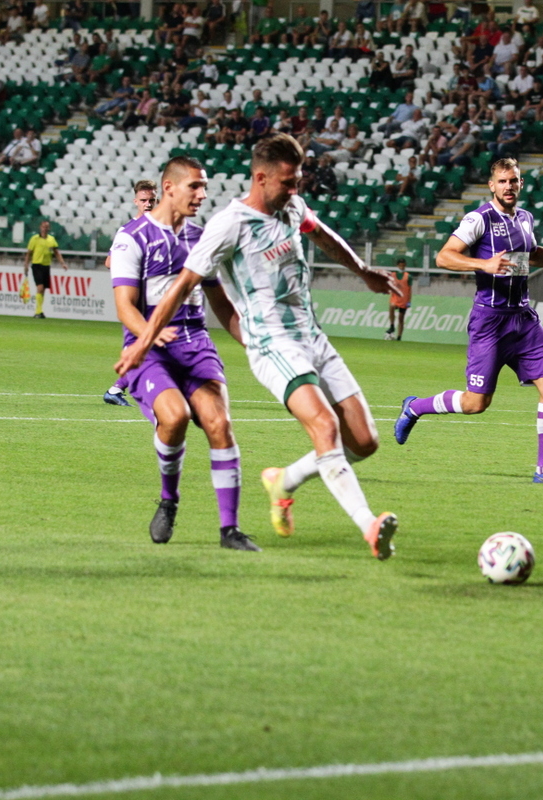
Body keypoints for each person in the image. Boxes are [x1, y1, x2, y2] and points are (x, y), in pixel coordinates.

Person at [116, 134, 402, 560]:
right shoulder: (228, 225)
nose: (295, 188)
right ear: (260, 178)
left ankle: (284, 481)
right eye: (288, 181)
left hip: (312, 336)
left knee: (364, 440)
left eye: (298, 180)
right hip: (272, 343)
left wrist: (363, 271)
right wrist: (143, 341)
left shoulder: (292, 206)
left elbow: (321, 234)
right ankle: (369, 525)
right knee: (324, 426)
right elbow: (183, 285)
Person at [392, 157, 543, 484]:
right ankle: (415, 407)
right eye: (502, 181)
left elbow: (533, 256)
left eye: (513, 180)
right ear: (492, 185)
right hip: (490, 321)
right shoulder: (479, 219)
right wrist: (483, 264)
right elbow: (444, 256)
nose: (508, 186)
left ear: (521, 184)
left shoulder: (525, 218)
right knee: (476, 403)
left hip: (523, 319)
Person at [109, 157, 253, 550]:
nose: (202, 194)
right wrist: (150, 333)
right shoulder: (132, 237)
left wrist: (253, 341)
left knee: (219, 424)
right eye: (195, 186)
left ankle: (229, 530)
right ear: (169, 188)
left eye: (204, 186)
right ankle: (168, 500)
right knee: (174, 416)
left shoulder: (202, 239)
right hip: (149, 349)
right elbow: (124, 306)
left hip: (195, 344)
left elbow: (221, 305)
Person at [103, 179, 158, 408]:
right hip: (139, 298)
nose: (148, 204)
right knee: (149, 344)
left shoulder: (161, 229)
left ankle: (118, 389)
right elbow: (109, 262)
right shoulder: (127, 231)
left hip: (157, 296)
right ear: (136, 201)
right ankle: (117, 389)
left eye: (152, 200)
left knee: (153, 344)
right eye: (144, 200)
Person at [23, 220, 67, 319]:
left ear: (49, 228)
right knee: (40, 287)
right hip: (37, 265)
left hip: (46, 266)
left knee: (43, 289)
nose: (45, 229)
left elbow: (56, 252)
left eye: (46, 227)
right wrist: (26, 265)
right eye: (43, 227)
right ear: (40, 227)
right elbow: (29, 253)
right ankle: (37, 311)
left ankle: (40, 310)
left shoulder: (51, 239)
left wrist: (62, 263)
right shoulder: (34, 239)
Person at [385, 258, 413, 340]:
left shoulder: (408, 276)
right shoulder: (393, 275)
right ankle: (392, 325)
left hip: (404, 299)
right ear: (397, 265)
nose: (402, 267)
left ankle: (399, 336)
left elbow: (410, 290)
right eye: (400, 265)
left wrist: (409, 301)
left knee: (401, 318)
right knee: (392, 306)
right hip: (395, 297)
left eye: (403, 265)